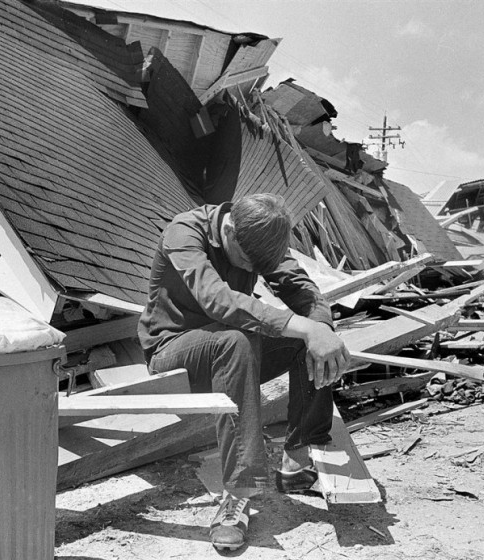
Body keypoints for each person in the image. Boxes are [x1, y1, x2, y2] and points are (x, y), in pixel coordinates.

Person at [137, 193, 351, 550]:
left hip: (232, 355)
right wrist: (303, 327)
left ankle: (297, 457)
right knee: (237, 339)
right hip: (173, 354)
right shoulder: (184, 232)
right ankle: (238, 495)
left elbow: (299, 288)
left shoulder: (259, 236)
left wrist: (320, 328)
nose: (254, 271)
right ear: (231, 232)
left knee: (305, 339)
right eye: (248, 263)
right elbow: (217, 300)